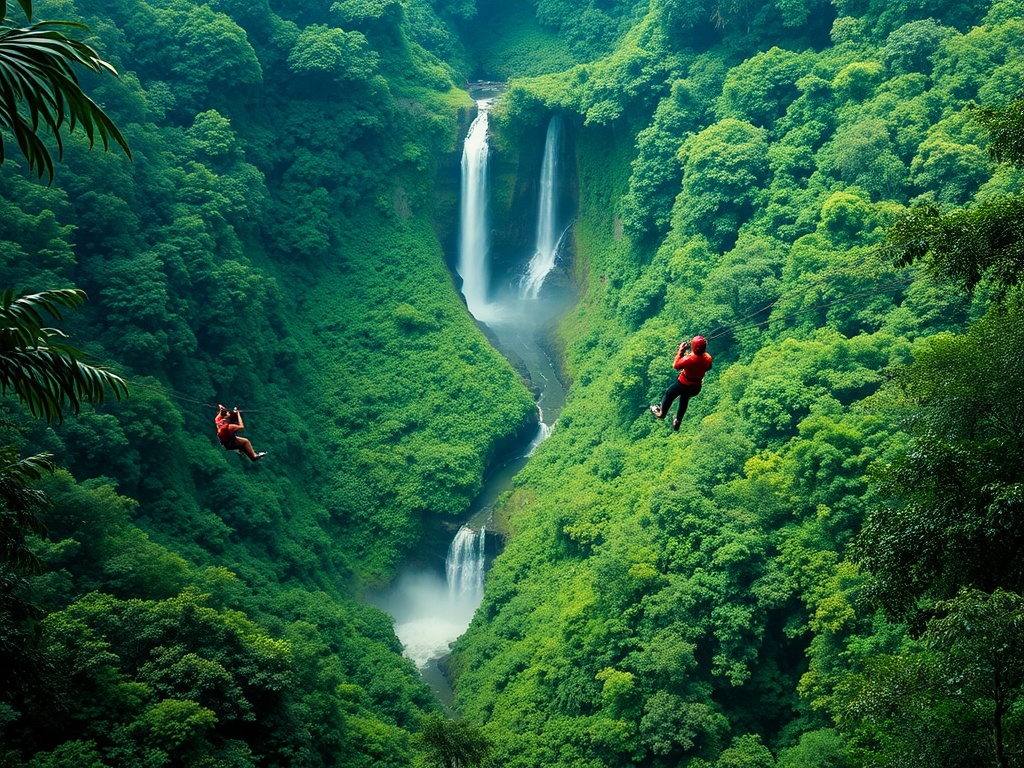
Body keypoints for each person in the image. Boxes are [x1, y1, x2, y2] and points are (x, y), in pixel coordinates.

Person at [650, 335, 713, 431]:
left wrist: (681, 350)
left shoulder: (689, 359)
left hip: (682, 384)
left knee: (669, 393)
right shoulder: (708, 358)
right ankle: (678, 421)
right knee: (684, 399)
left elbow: (676, 365)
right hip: (695, 387)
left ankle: (661, 413)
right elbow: (708, 367)